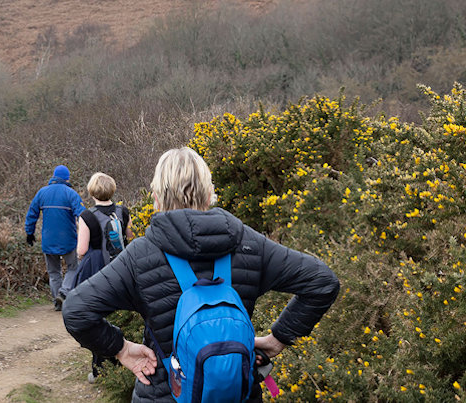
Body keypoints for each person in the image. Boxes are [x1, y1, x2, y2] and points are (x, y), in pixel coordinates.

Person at [62, 147, 341, 402]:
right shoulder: (251, 245)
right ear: (210, 194)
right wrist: (277, 339)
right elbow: (322, 282)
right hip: (237, 392)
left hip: (164, 392)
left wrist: (120, 349)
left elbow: (76, 310)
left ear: (157, 199)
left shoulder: (140, 256)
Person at [72, 172, 130, 382]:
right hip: (121, 268)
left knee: (97, 316)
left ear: (92, 191)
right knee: (122, 313)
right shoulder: (123, 212)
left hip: (96, 269)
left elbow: (81, 249)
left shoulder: (87, 216)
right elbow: (129, 238)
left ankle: (100, 368)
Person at [25, 164, 85, 310]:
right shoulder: (70, 193)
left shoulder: (42, 193)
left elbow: (32, 213)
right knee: (73, 267)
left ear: (53, 176)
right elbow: (82, 215)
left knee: (54, 272)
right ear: (67, 178)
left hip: (48, 240)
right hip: (68, 240)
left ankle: (57, 303)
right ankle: (63, 294)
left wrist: (29, 232)